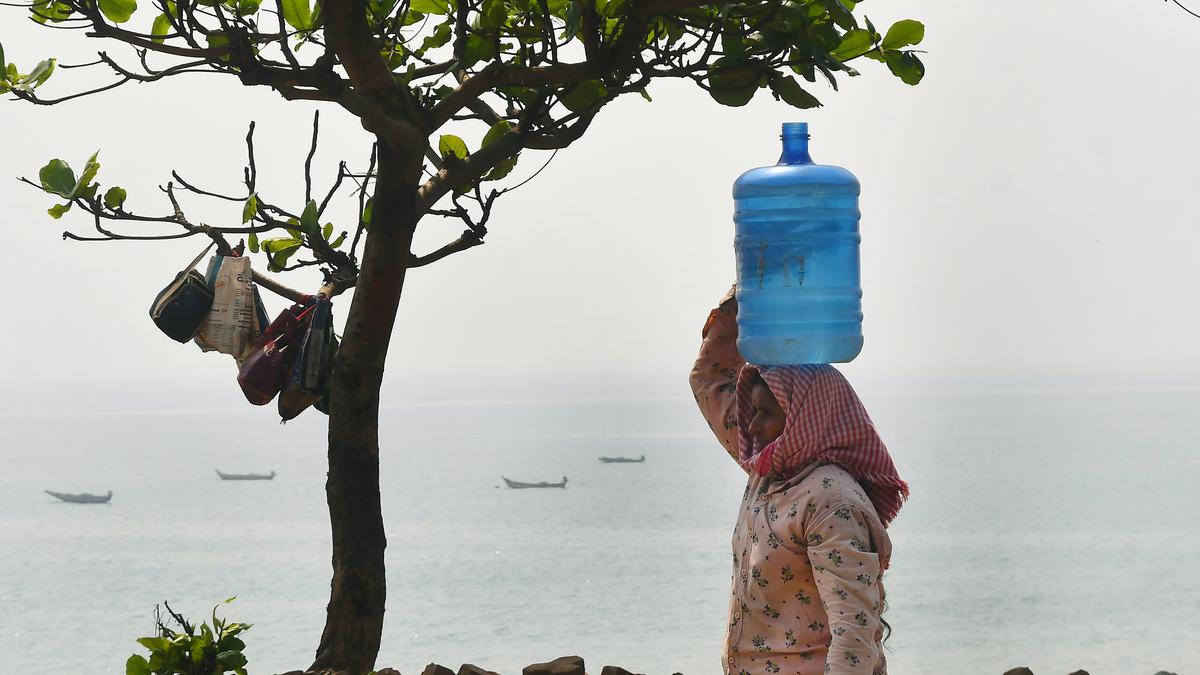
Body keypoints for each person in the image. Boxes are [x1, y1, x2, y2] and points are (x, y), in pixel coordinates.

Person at [689, 288, 909, 675]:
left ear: (804, 418)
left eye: (764, 414)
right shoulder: (770, 477)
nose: (752, 427)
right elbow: (710, 380)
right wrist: (744, 298)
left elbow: (854, 639)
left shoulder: (830, 502)